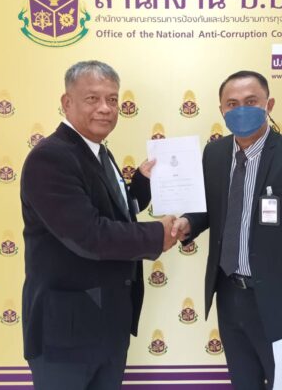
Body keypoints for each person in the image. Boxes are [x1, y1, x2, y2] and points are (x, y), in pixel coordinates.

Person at [171, 70, 282, 389]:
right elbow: (212, 208)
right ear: (221, 110)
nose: (241, 110)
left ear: (269, 105)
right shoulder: (215, 154)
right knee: (243, 383)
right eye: (232, 104)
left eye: (251, 102)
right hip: (229, 294)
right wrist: (189, 223)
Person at [20, 60, 177, 390]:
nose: (105, 108)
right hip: (67, 333)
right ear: (67, 103)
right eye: (92, 98)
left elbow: (112, 209)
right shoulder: (51, 157)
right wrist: (156, 235)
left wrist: (141, 184)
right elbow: (88, 235)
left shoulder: (97, 152)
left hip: (107, 324)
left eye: (113, 99)